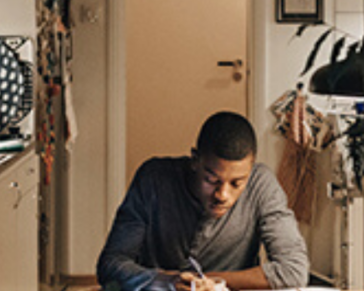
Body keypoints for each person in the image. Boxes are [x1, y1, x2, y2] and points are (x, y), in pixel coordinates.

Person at [97, 111, 310, 291]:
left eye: (236, 183)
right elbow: (111, 264)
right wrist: (168, 281)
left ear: (251, 167)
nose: (222, 195)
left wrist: (208, 283)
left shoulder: (261, 184)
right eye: (211, 180)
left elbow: (293, 269)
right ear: (195, 160)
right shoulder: (153, 179)